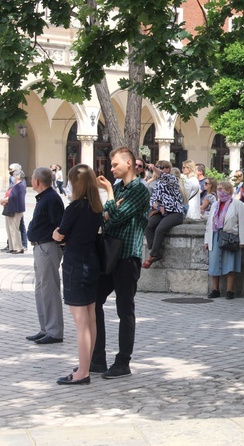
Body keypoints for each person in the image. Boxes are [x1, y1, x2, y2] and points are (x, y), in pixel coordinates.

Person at [93, 146, 150, 379]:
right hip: (110, 255)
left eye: (115, 164)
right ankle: (97, 359)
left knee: (124, 309)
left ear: (129, 163)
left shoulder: (139, 190)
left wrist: (108, 192)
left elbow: (113, 216)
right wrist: (111, 202)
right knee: (94, 300)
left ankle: (123, 361)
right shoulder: (118, 188)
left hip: (127, 256)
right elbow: (104, 218)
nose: (111, 168)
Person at [53, 165, 103, 385]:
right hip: (91, 262)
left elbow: (60, 234)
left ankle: (83, 371)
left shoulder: (75, 207)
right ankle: (86, 365)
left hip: (75, 263)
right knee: (90, 317)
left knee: (81, 321)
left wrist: (57, 234)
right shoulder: (96, 207)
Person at [25, 167, 65, 345]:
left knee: (49, 289)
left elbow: (59, 224)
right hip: (40, 247)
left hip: (48, 248)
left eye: (32, 178)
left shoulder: (51, 198)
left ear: (37, 181)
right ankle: (45, 328)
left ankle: (54, 331)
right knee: (41, 289)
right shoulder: (45, 197)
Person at [204, 180, 244, 300]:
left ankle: (230, 290)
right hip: (215, 235)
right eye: (218, 188)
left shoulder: (237, 204)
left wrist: (242, 241)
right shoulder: (215, 205)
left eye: (221, 188)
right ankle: (215, 289)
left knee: (230, 262)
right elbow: (209, 223)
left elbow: (241, 224)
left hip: (230, 236)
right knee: (214, 262)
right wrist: (206, 240)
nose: (219, 191)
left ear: (228, 190)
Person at [142, 161, 185, 268]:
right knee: (148, 226)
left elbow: (163, 176)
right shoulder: (157, 184)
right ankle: (155, 251)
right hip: (161, 212)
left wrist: (154, 168)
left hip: (175, 212)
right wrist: (157, 206)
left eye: (161, 167)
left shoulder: (172, 179)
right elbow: (152, 200)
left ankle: (152, 256)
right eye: (157, 167)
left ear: (167, 169)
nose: (158, 169)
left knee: (160, 229)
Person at [1, 170, 27, 254]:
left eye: (15, 175)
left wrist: (2, 200)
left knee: (15, 229)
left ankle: (18, 248)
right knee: (10, 229)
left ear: (19, 176)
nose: (13, 176)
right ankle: (12, 247)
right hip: (11, 209)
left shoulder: (20, 185)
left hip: (16, 209)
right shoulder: (16, 185)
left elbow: (13, 197)